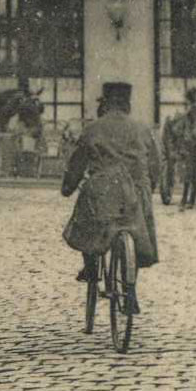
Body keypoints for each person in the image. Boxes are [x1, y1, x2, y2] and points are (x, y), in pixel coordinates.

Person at [62, 82, 164, 313]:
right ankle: (131, 291)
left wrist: (68, 187)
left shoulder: (92, 129)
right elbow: (156, 163)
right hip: (135, 194)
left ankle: (90, 267)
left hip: (103, 192)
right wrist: (150, 188)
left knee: (86, 220)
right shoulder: (143, 129)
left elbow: (77, 163)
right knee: (135, 234)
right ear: (127, 103)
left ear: (105, 103)